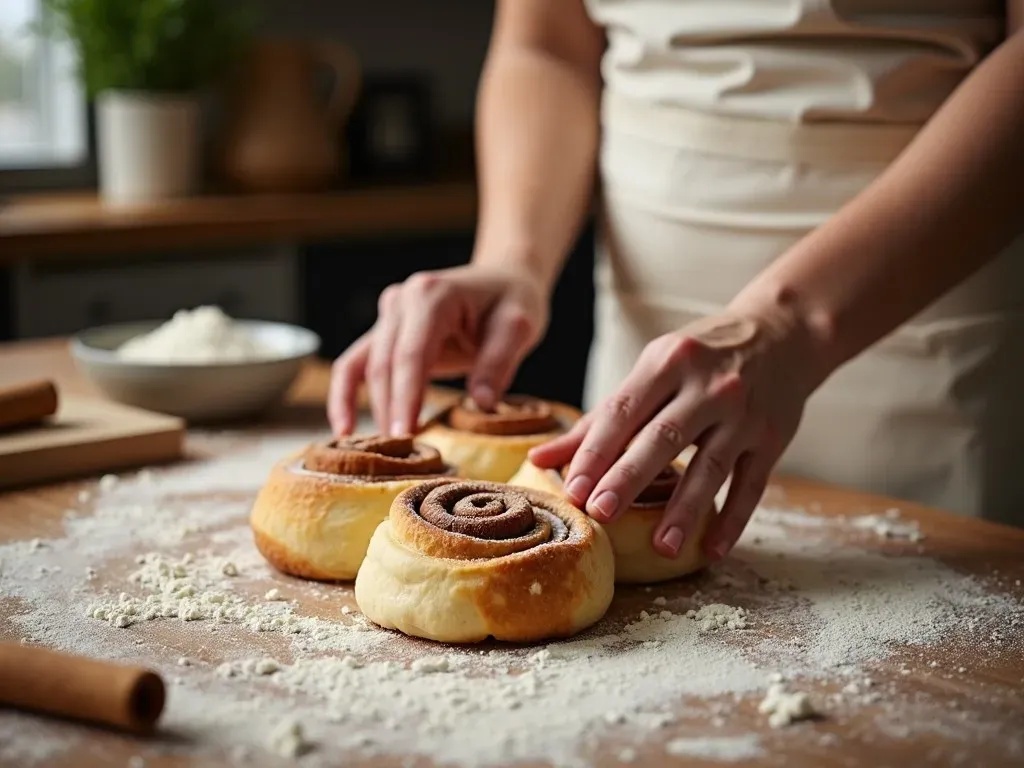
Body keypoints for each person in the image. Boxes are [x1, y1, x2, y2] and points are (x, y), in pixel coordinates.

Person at [329, 1, 1024, 563]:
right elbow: (546, 44)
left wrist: (792, 323)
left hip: (907, 304)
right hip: (648, 324)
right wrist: (513, 256)